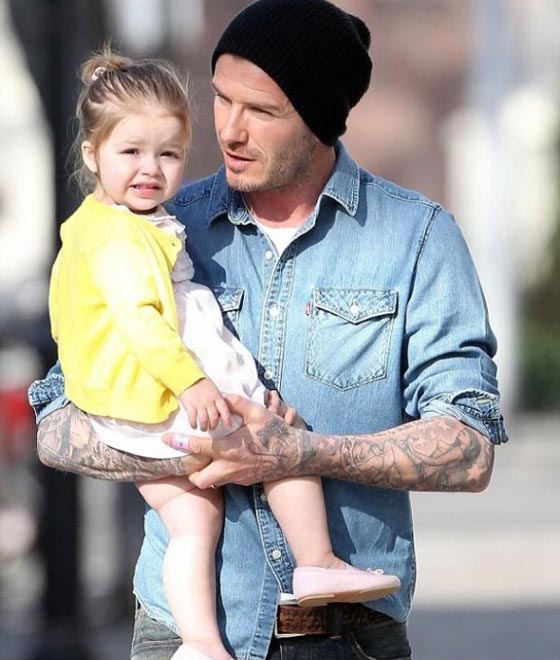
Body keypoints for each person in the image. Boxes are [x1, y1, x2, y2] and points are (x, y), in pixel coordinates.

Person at [30, 1, 508, 659]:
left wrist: (299, 453)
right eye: (222, 98)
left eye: (261, 110)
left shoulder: (417, 238)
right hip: (180, 637)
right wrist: (194, 449)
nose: (230, 129)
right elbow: (56, 423)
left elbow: (470, 447)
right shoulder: (157, 227)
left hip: (344, 639)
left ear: (318, 121)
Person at [46, 45, 400, 660]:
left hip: (128, 407)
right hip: (163, 398)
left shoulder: (102, 223)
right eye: (131, 153)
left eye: (169, 154)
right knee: (279, 440)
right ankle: (316, 561)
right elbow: (139, 320)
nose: (151, 170)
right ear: (91, 154)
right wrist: (193, 384)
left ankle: (200, 642)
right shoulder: (118, 239)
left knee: (194, 521)